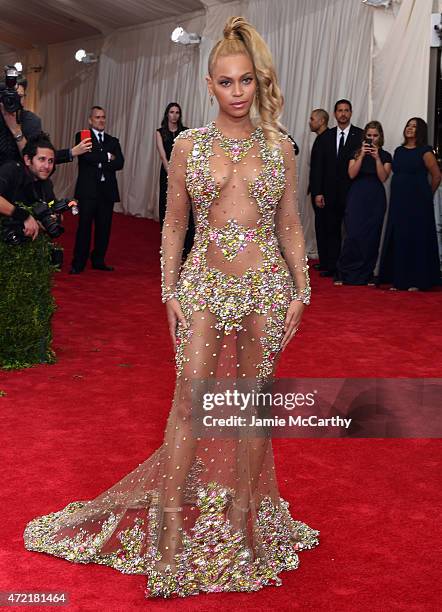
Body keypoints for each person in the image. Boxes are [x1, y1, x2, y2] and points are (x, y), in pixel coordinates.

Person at [24, 17, 319, 599]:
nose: (237, 92)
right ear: (209, 85)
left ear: (257, 85)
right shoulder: (188, 146)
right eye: (226, 82)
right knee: (190, 401)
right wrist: (168, 292)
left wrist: (301, 291)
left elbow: (290, 225)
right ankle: (167, 518)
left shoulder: (280, 147)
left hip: (265, 286)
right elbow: (175, 224)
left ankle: (242, 520)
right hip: (204, 284)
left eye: (246, 82)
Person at [378, 118, 441, 291]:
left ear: (420, 131)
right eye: (408, 125)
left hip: (419, 204)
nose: (410, 128)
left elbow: (436, 175)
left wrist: (427, 196)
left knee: (417, 239)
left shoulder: (425, 151)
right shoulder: (398, 151)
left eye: (414, 126)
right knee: (400, 238)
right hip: (399, 202)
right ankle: (400, 280)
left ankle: (417, 281)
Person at [334, 121, 392, 286]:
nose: (372, 139)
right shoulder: (355, 153)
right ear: (364, 137)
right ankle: (344, 274)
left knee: (372, 237)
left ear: (380, 137)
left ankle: (366, 275)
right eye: (369, 135)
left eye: (375, 135)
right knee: (352, 235)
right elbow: (351, 174)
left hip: (376, 197)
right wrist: (361, 155)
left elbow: (383, 177)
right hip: (357, 195)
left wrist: (376, 158)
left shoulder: (386, 155)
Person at [310, 99, 363, 277]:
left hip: (352, 192)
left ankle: (350, 266)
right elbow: (318, 168)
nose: (343, 114)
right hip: (329, 193)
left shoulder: (360, 135)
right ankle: (332, 267)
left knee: (352, 231)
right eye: (340, 110)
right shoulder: (326, 137)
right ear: (334, 114)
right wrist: (317, 192)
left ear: (351, 113)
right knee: (331, 231)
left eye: (346, 110)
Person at [70, 106, 124, 274]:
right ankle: (78, 263)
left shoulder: (112, 140)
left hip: (106, 192)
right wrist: (108, 156)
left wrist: (100, 158)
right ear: (90, 120)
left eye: (103, 117)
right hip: (88, 191)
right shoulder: (83, 135)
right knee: (84, 227)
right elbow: (86, 156)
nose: (101, 120)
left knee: (104, 228)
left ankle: (98, 260)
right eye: (97, 117)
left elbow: (120, 163)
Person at [0, 76, 92, 167]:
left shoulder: (31, 120)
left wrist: (16, 131)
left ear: (24, 97)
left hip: (22, 178)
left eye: (20, 96)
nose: (15, 101)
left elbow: (36, 158)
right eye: (11, 97)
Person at [156, 103, 194, 256]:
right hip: (167, 175)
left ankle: (186, 246)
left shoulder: (185, 132)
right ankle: (169, 244)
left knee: (185, 208)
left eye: (177, 112)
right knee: (167, 208)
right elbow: (163, 156)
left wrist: (182, 173)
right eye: (171, 112)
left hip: (184, 174)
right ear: (167, 114)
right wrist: (171, 173)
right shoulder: (160, 132)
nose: (174, 115)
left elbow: (189, 154)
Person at [308, 108, 329, 270]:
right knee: (321, 226)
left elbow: (322, 169)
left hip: (323, 192)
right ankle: (324, 260)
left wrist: (319, 192)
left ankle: (327, 262)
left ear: (322, 121)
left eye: (312, 119)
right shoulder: (321, 138)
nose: (310, 122)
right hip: (318, 190)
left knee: (325, 227)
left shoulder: (326, 139)